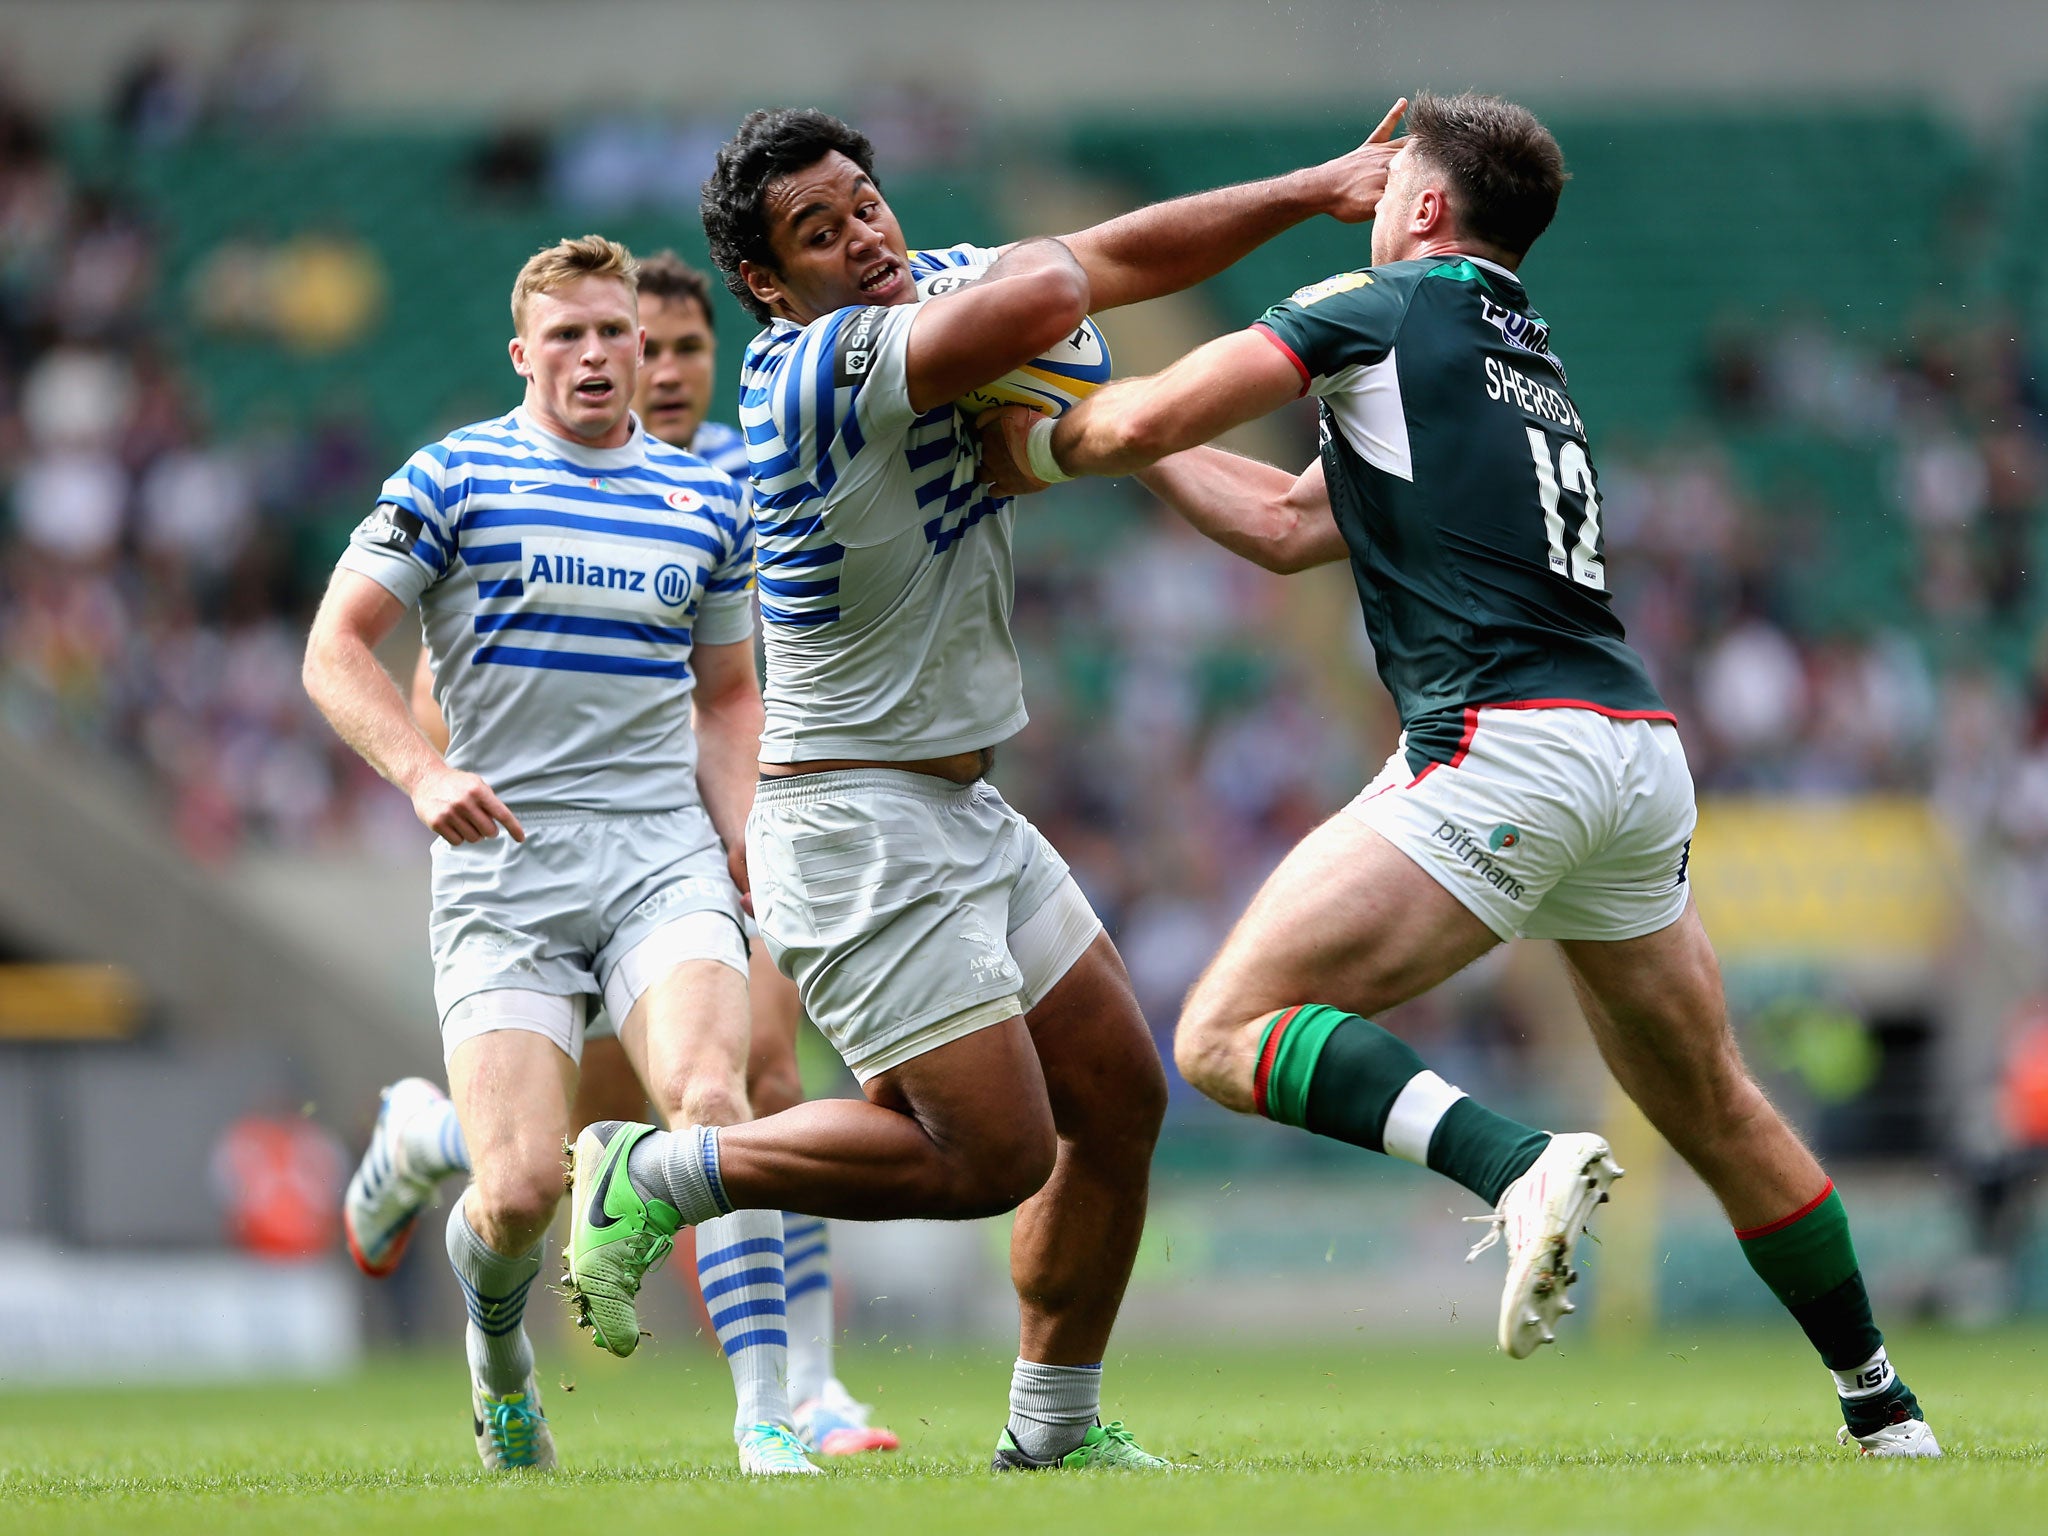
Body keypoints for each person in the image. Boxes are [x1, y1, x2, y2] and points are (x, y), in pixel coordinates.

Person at [975, 91, 1940, 1460]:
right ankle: (1886, 1413)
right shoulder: (1529, 362)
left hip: (1507, 746)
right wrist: (1111, 429)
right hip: (1634, 757)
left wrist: (1036, 428)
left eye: (1387, 184)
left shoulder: (1371, 309)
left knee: (1224, 1035)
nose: (1369, 203)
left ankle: (1514, 1163)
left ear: (1424, 208)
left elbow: (1138, 430)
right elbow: (1286, 521)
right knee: (1713, 1100)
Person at [559, 103, 1407, 1473]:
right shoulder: (823, 364)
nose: (861, 236)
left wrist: (1318, 186)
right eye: (817, 233)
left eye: (863, 201)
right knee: (992, 1155)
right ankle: (654, 1171)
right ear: (771, 288)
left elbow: (1107, 259)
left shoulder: (927, 288)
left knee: (1120, 1101)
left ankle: (1051, 1431)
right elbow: (1078, 279)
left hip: (958, 806)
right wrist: (1329, 296)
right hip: (854, 822)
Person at [342, 249, 894, 1457]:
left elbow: (728, 690)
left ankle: (771, 1423)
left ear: (642, 352)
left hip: (659, 855)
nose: (595, 357)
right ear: (521, 354)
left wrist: (749, 833)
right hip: (507, 873)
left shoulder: (707, 504)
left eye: (615, 336)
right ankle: (498, 1359)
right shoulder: (453, 477)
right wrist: (427, 773)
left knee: (717, 1103)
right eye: (567, 338)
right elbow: (340, 647)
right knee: (527, 1183)